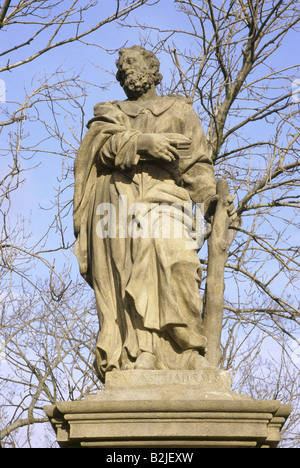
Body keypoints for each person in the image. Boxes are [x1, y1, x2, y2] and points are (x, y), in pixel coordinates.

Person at [73, 45, 230, 382]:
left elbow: (198, 167)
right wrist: (142, 143)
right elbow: (99, 147)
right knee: (131, 261)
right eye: (121, 65)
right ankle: (141, 351)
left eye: (131, 62)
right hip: (119, 201)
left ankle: (187, 349)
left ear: (151, 67)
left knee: (178, 258)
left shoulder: (179, 110)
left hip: (166, 198)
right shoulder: (112, 111)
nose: (125, 69)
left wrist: (210, 202)